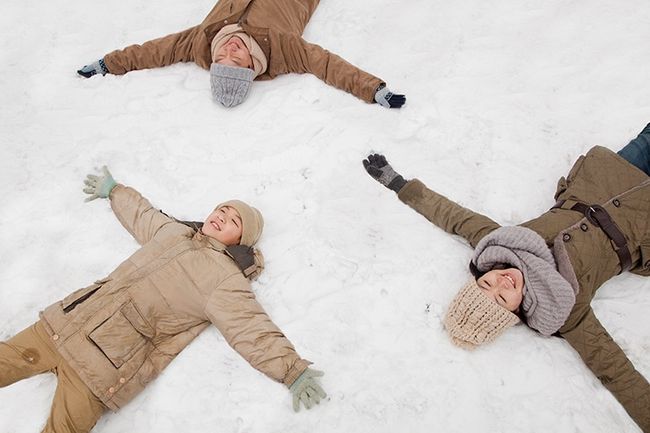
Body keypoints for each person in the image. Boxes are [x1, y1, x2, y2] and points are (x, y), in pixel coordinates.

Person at [362, 124, 650, 432]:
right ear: (515, 311)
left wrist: (399, 185)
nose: (502, 282)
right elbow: (616, 371)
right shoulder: (563, 310)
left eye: (487, 283)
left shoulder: (500, 245)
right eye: (501, 297)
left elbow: (454, 217)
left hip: (610, 177)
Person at [0, 167, 326, 433]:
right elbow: (142, 214)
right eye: (221, 209)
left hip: (100, 371)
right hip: (63, 327)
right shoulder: (173, 232)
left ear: (241, 240)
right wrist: (115, 190)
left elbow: (251, 329)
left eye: (233, 220)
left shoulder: (226, 280)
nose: (222, 217)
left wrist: (292, 371)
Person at [77, 0, 406, 109]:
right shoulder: (282, 51)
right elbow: (328, 65)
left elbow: (153, 52)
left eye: (222, 61)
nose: (229, 51)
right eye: (238, 61)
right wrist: (373, 89)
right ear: (252, 67)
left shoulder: (200, 43)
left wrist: (109, 63)